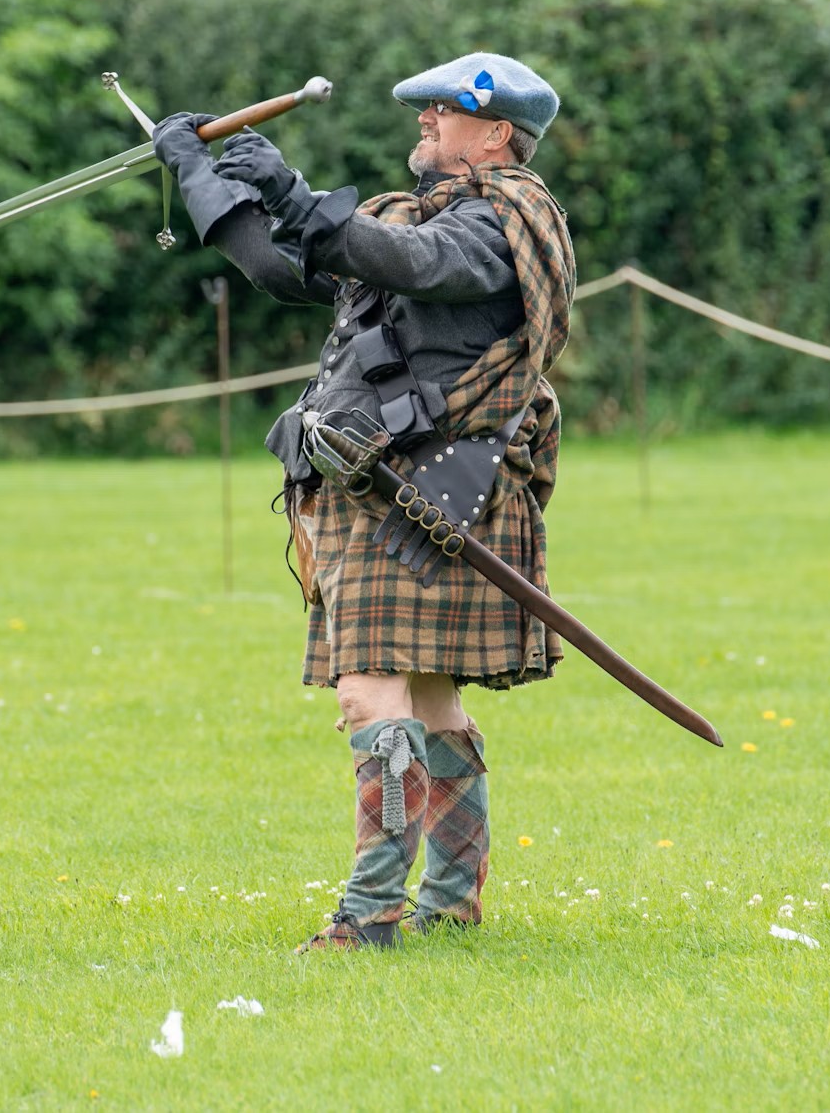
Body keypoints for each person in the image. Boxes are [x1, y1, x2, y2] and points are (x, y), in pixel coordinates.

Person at [150, 53, 575, 951]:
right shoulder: (405, 215)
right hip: (377, 489)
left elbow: (410, 262)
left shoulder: (504, 227)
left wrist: (298, 193)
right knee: (424, 698)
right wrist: (195, 172)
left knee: (368, 698)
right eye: (421, 110)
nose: (423, 121)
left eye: (441, 111)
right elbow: (279, 264)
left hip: (429, 493)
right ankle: (451, 903)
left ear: (496, 134)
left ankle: (370, 916)